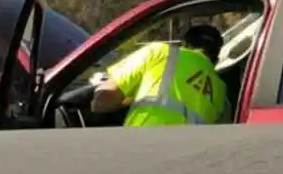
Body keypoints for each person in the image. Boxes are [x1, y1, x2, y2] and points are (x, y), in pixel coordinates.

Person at [64, 24, 231, 127]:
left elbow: (100, 103)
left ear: (185, 44)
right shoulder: (222, 94)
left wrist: (130, 100)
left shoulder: (160, 52)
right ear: (216, 56)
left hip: (142, 148)